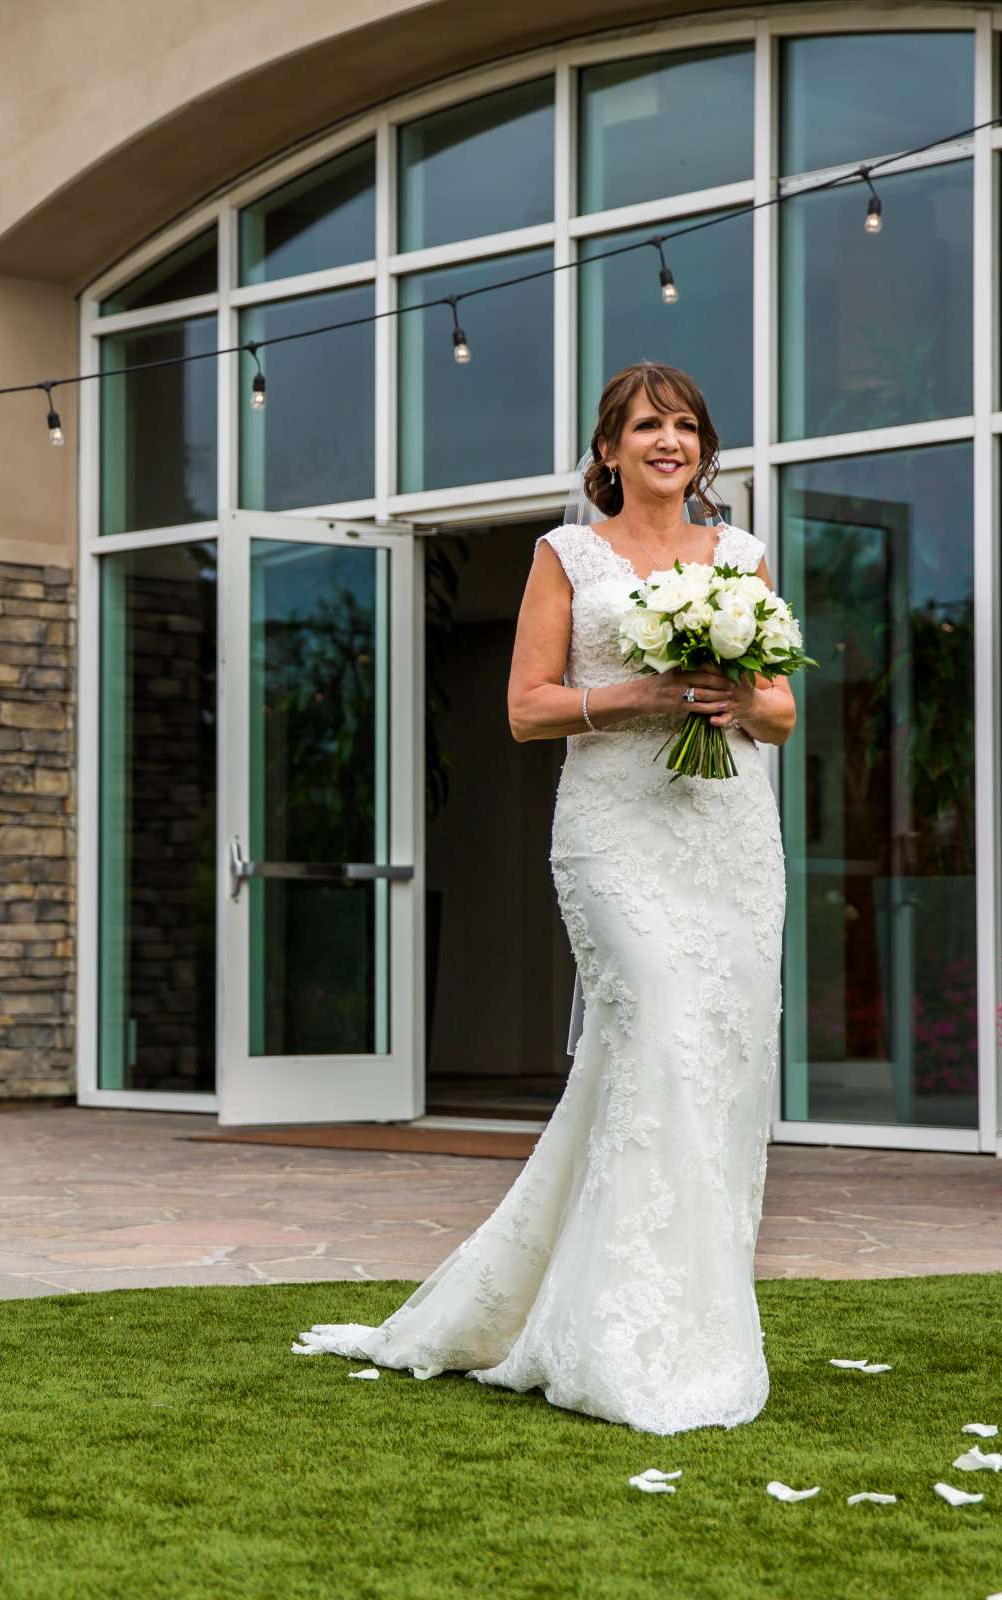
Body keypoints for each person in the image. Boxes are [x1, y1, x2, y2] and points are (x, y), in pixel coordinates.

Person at [292, 361, 793, 1434]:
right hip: (615, 833)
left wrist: (734, 691)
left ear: (705, 450)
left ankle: (690, 1318)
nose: (671, 441)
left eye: (688, 426)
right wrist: (644, 692)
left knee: (714, 1064)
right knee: (657, 1024)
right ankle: (614, 1335)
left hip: (730, 836)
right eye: (647, 425)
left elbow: (785, 710)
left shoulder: (742, 557)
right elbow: (526, 709)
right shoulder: (566, 555)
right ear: (608, 451)